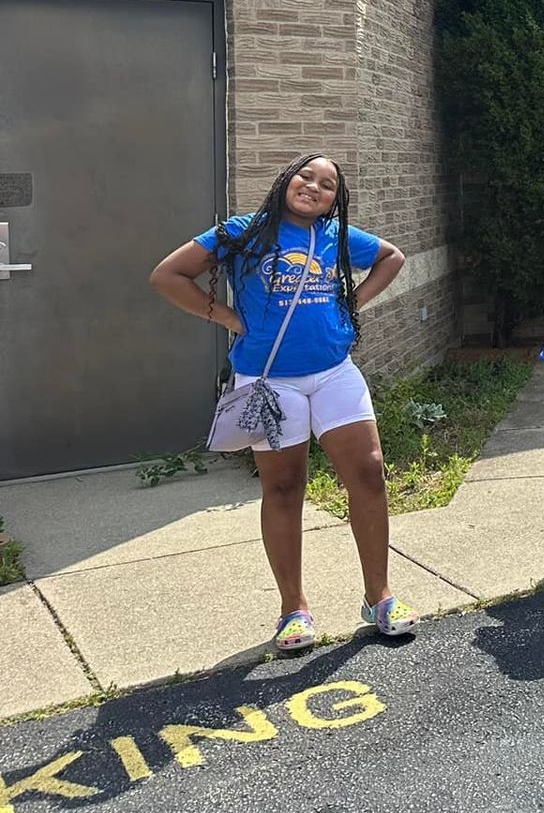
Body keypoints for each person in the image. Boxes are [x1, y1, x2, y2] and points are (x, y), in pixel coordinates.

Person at [149, 153, 415, 651]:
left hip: (335, 372)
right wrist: (228, 318)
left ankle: (379, 596)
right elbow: (167, 276)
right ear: (286, 179)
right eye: (306, 176)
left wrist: (350, 302)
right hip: (270, 381)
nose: (314, 187)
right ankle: (294, 609)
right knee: (286, 485)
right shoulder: (245, 231)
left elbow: (391, 256)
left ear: (336, 199)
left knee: (369, 472)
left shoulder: (335, 236)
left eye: (328, 185)